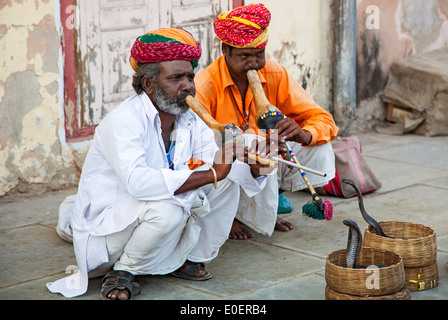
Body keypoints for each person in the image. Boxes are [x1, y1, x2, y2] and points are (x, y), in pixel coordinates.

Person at [46, 28, 274, 300]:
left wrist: (254, 163)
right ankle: (125, 269)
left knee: (227, 182)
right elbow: (139, 184)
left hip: (154, 216)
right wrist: (213, 172)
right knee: (169, 211)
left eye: (190, 77)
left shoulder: (190, 118)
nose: (188, 86)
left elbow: (215, 162)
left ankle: (190, 257)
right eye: (176, 78)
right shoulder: (124, 121)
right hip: (111, 229)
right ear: (149, 85)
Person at [194, 3, 339, 240]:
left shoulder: (274, 73)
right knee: (246, 145)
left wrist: (303, 134)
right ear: (225, 50)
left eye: (258, 55)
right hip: (226, 163)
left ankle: (266, 207)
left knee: (318, 146)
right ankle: (227, 214)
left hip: (265, 158)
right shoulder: (205, 84)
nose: (253, 64)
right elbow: (196, 151)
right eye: (244, 56)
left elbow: (323, 119)